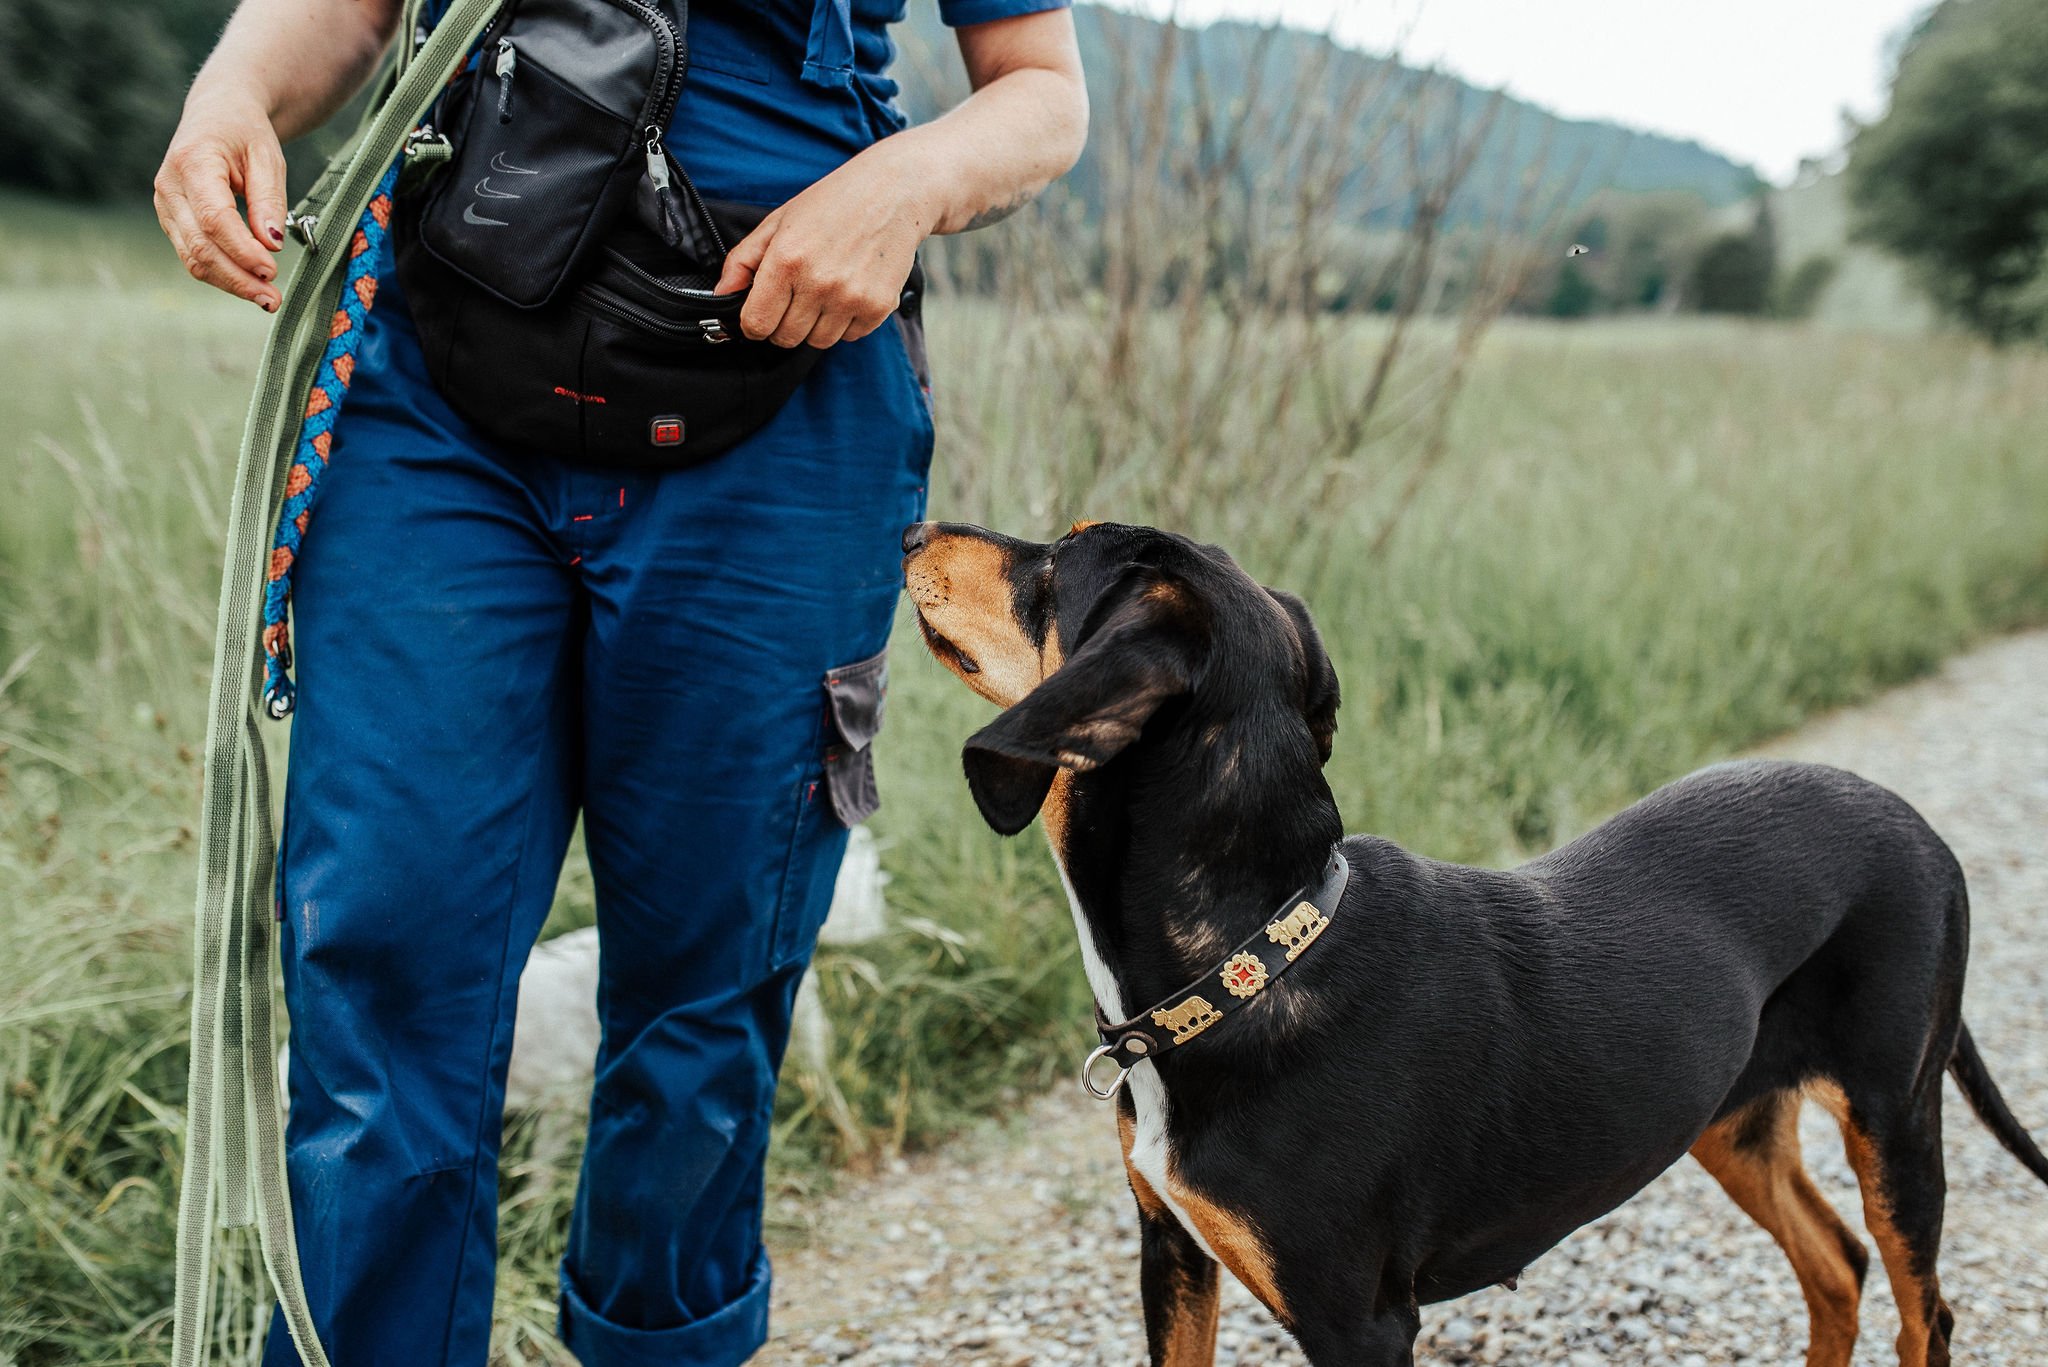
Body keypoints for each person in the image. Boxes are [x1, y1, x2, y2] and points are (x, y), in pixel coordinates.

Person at [152, 0, 1087, 1361]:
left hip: (785, 397)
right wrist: (232, 92)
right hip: (436, 390)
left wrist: (907, 182)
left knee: (706, 1000)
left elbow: (1040, 90)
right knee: (383, 955)